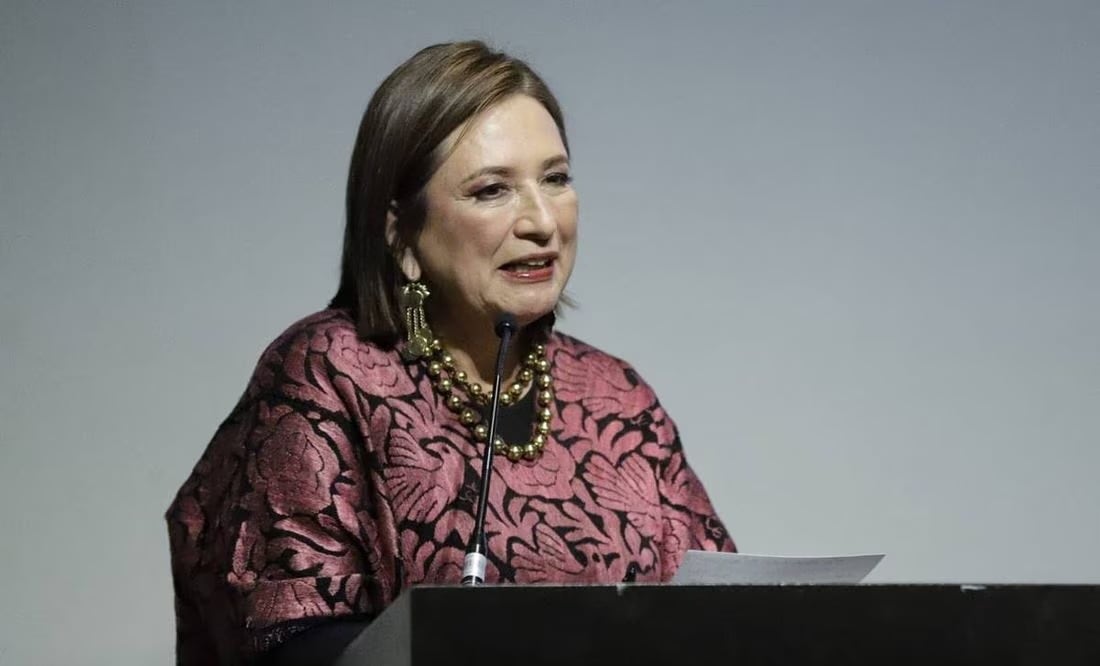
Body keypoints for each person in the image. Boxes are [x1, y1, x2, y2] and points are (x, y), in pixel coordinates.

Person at [166, 40, 735, 665]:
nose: (543, 221)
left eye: (556, 179)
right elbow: (288, 639)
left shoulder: (616, 397)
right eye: (492, 190)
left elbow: (728, 615)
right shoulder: (331, 373)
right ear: (400, 229)